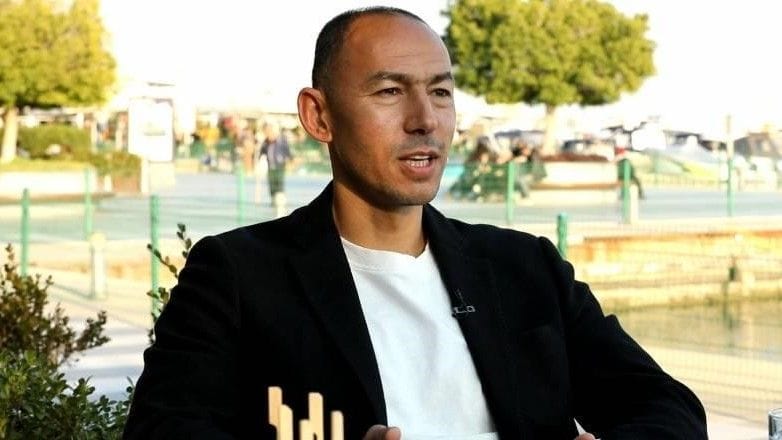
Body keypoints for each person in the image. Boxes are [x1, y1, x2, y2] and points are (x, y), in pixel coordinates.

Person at [124, 7, 706, 440]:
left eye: (441, 92)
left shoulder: (526, 268)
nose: (424, 119)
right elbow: (164, 430)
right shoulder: (238, 276)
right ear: (319, 115)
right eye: (389, 91)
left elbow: (669, 409)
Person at [258, 121, 292, 206]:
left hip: (279, 165)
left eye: (269, 131)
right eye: (266, 131)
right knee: (272, 184)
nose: (268, 133)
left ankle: (280, 201)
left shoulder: (281, 140)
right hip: (270, 166)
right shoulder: (265, 142)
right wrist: (260, 160)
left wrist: (290, 160)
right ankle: (273, 201)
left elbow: (287, 151)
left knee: (279, 184)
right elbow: (262, 153)